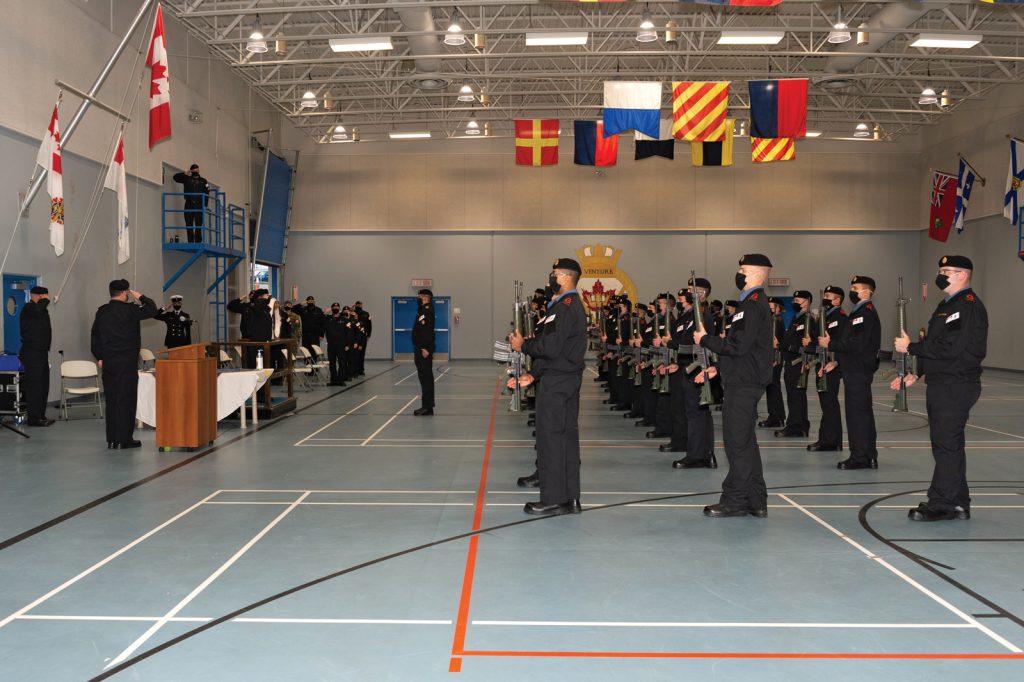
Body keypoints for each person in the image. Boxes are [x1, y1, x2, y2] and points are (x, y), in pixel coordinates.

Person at [892, 255, 988, 521]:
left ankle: (943, 504)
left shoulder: (967, 306)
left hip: (955, 384)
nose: (941, 274)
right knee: (948, 445)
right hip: (943, 381)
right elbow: (938, 345)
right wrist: (916, 372)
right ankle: (958, 501)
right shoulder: (947, 305)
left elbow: (951, 348)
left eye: (946, 270)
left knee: (946, 445)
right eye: (940, 269)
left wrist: (910, 347)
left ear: (962, 274)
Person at [693, 254, 774, 518]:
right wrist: (720, 366)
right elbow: (747, 348)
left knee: (736, 443)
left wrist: (706, 340)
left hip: (744, 383)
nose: (738, 273)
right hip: (744, 376)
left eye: (743, 269)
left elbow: (738, 345)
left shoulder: (751, 304)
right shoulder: (751, 304)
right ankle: (756, 500)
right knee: (746, 443)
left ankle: (735, 500)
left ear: (756, 274)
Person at [509, 258, 587, 515]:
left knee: (551, 438)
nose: (551, 277)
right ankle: (570, 497)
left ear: (565, 277)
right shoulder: (569, 305)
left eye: (554, 273)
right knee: (565, 438)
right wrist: (533, 375)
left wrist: (524, 346)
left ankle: (553, 498)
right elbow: (558, 350)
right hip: (562, 377)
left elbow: (550, 347)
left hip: (557, 382)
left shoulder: (564, 306)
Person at [821, 275, 881, 470]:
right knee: (860, 413)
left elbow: (858, 343)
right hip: (853, 367)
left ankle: (861, 456)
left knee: (857, 415)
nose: (852, 291)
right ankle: (868, 455)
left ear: (867, 291)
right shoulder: (858, 313)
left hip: (858, 369)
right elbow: (853, 342)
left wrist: (831, 344)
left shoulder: (865, 313)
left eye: (856, 287)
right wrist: (837, 361)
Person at [90, 280, 157, 449]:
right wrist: (140, 296)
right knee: (126, 400)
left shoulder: (102, 311)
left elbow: (95, 336)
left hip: (109, 362)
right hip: (126, 363)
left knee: (112, 400)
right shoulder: (131, 310)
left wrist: (99, 357)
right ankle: (124, 439)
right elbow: (152, 309)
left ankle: (112, 439)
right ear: (124, 293)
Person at [669, 277, 717, 469]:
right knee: (697, 412)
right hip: (687, 367)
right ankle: (705, 453)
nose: (687, 292)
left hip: (698, 367)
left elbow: (694, 344)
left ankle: (698, 455)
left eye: (691, 290)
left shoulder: (703, 316)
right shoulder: (690, 317)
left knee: (697, 412)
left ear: (702, 294)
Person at [805, 285, 847, 452]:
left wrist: (836, 361)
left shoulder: (841, 317)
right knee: (826, 403)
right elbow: (817, 341)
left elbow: (842, 342)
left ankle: (831, 440)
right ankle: (829, 439)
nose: (825, 298)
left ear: (837, 300)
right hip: (821, 364)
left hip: (831, 366)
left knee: (830, 403)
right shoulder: (826, 317)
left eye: (829, 296)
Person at [776, 290, 814, 438]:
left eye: (799, 300)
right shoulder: (797, 318)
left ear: (808, 301)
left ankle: (796, 426)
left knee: (796, 395)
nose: (795, 302)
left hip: (799, 361)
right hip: (791, 361)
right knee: (793, 395)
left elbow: (808, 344)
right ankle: (799, 425)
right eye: (795, 300)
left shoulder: (809, 319)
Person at [19, 285, 54, 426]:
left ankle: (40, 415)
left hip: (41, 353)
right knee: (34, 386)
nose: (46, 300)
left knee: (43, 385)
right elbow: (38, 309)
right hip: (32, 352)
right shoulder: (29, 308)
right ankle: (33, 418)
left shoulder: (40, 310)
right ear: (38, 296)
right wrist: (44, 301)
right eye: (44, 297)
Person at [758, 297, 786, 428]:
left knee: (773, 387)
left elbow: (778, 341)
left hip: (775, 358)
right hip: (770, 357)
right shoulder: (772, 320)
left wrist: (775, 358)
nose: (769, 308)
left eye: (771, 306)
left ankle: (776, 417)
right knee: (772, 387)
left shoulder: (777, 321)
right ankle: (777, 415)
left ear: (778, 308)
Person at [227, 289, 273, 368]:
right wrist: (239, 299)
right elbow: (230, 306)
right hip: (247, 338)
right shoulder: (246, 307)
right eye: (251, 295)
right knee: (249, 362)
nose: (252, 297)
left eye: (254, 295)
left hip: (259, 339)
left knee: (259, 363)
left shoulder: (264, 308)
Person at [172, 164, 211, 243]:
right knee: (189, 223)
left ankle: (198, 241)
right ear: (191, 170)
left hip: (199, 204)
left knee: (198, 224)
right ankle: (190, 241)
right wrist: (185, 173)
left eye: (197, 169)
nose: (196, 170)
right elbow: (175, 177)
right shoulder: (187, 178)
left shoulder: (203, 181)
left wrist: (205, 204)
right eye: (194, 169)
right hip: (189, 204)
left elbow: (207, 192)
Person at [412, 289, 436, 416]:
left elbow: (426, 332)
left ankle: (427, 407)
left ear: (426, 297)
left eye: (419, 296)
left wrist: (424, 348)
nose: (418, 297)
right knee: (424, 378)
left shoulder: (426, 311)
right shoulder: (423, 310)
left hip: (423, 350)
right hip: (421, 348)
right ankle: (427, 406)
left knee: (426, 378)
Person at [298, 296, 326, 360]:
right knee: (306, 353)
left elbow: (323, 323)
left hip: (315, 335)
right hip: (305, 335)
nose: (311, 302)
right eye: (309, 301)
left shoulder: (319, 310)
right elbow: (293, 309)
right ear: (307, 302)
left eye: (312, 301)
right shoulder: (303, 310)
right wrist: (300, 304)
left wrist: (321, 334)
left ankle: (315, 369)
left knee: (315, 352)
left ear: (314, 301)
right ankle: (307, 368)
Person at [355, 301, 371, 376]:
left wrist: (369, 335)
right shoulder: (353, 313)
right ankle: (354, 370)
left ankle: (361, 370)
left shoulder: (366, 314)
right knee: (355, 354)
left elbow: (370, 325)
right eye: (357, 304)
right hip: (354, 337)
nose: (359, 305)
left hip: (363, 335)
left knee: (361, 354)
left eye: (360, 304)